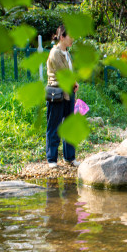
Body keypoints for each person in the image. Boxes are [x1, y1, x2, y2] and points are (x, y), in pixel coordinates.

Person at [46, 25, 80, 168]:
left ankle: (69, 157)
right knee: (54, 125)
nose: (72, 39)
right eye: (70, 36)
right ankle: (52, 159)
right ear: (62, 37)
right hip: (57, 92)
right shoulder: (55, 53)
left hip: (69, 92)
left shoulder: (67, 53)